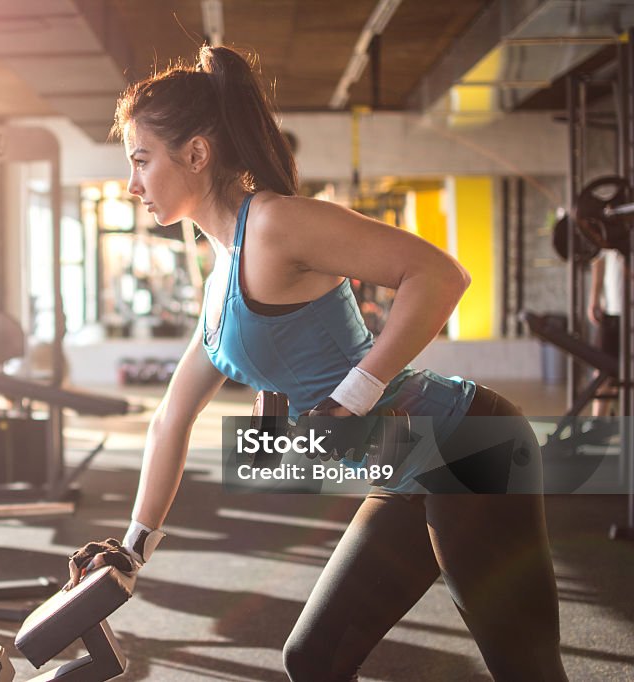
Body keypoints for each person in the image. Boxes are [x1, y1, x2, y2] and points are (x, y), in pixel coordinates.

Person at [66, 45, 568, 681]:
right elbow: (173, 416)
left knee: (525, 668)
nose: (132, 184)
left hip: (469, 445)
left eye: (141, 161)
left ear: (196, 154)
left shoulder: (277, 224)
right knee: (314, 659)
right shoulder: (222, 269)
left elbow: (440, 276)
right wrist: (132, 548)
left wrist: (350, 398)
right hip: (407, 466)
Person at [588, 248, 623, 416]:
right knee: (602, 370)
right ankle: (598, 422)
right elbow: (599, 258)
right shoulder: (610, 223)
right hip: (612, 310)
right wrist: (594, 297)